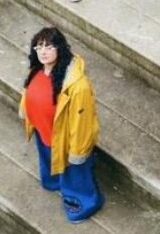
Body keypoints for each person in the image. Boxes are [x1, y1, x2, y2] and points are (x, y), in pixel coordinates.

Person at [19, 27, 104, 222]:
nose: (43, 51)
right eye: (39, 47)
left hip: (66, 140)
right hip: (43, 131)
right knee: (49, 159)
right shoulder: (37, 68)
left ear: (60, 48)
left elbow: (83, 123)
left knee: (75, 173)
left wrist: (78, 152)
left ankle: (86, 202)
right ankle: (53, 181)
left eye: (49, 46)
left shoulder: (78, 85)